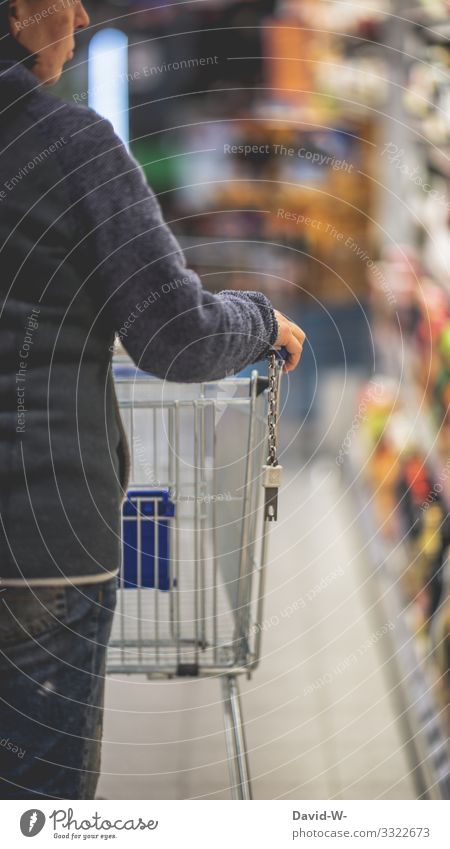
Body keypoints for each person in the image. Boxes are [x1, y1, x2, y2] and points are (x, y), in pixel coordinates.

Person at [0, 0, 305, 799]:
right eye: (66, 1)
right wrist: (261, 319)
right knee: (38, 802)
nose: (82, 14)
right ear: (26, 12)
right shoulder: (72, 147)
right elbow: (176, 336)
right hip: (39, 543)